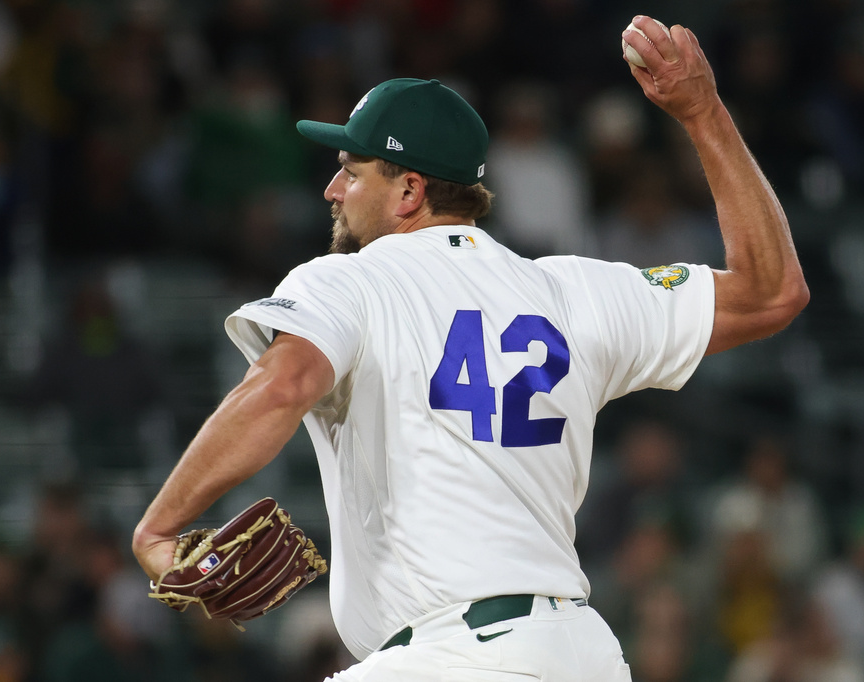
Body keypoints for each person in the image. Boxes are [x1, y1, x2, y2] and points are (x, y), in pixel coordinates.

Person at [133, 15, 809, 681]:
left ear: (409, 190)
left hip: (451, 655)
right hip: (579, 651)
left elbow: (282, 384)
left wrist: (159, 530)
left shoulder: (351, 281)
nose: (332, 190)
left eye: (351, 169)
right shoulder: (571, 289)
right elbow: (772, 292)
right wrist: (703, 112)